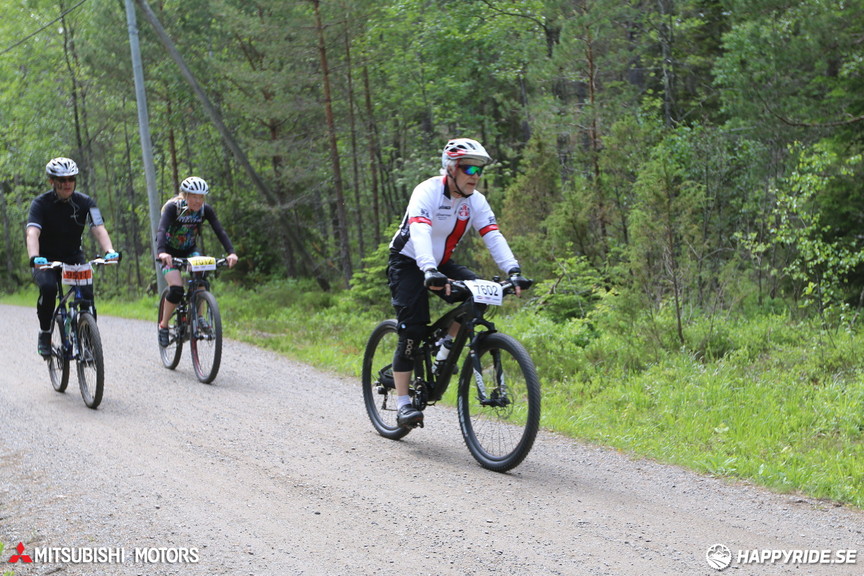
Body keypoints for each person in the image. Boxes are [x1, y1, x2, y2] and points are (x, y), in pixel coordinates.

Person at [387, 138, 530, 428]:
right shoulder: (427, 191)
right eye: (468, 168)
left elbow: (492, 236)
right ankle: (403, 404)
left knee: (481, 295)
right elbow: (420, 231)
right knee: (412, 330)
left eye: (479, 170)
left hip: (440, 263)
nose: (475, 176)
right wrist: (428, 270)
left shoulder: (475, 201)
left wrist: (513, 271)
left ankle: (444, 348)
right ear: (451, 168)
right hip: (409, 260)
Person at [26, 157, 120, 357]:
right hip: (45, 258)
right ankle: (45, 333)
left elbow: (98, 227)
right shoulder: (40, 204)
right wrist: (34, 257)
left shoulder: (86, 202)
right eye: (62, 179)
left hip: (73, 255)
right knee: (49, 289)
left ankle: (87, 337)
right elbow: (32, 232)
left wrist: (109, 251)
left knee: (86, 294)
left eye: (71, 179)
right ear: (52, 181)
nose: (67, 183)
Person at [156, 176, 238, 347]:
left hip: (190, 250)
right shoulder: (174, 208)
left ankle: (199, 317)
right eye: (194, 196)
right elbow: (162, 229)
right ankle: (164, 325)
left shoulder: (204, 210)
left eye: (201, 197)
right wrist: (162, 252)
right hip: (169, 252)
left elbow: (219, 230)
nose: (198, 201)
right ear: (185, 195)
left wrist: (231, 253)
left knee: (201, 279)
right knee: (177, 289)